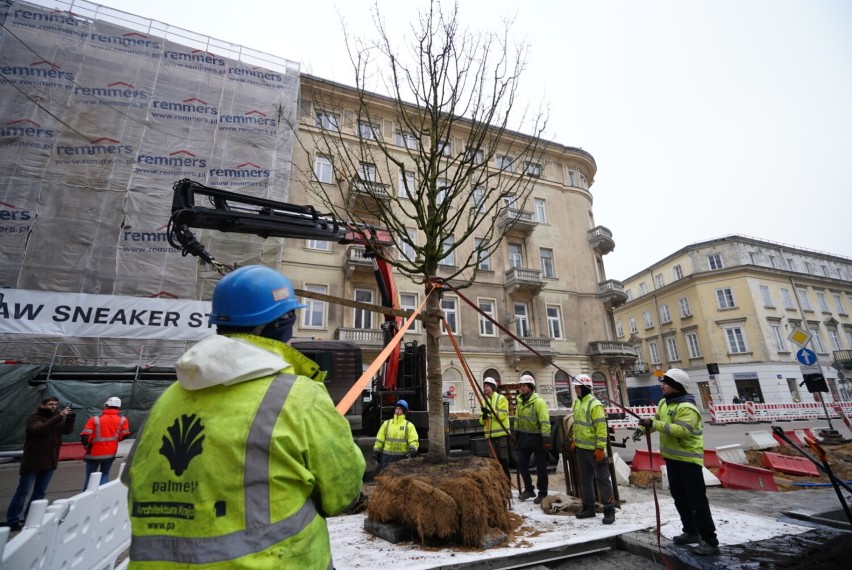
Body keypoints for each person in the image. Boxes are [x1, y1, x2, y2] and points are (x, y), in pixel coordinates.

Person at [122, 265, 365, 569]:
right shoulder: (297, 397)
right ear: (283, 324)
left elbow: (133, 479)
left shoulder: (170, 397)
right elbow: (342, 493)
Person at [639, 368, 720, 556]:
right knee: (680, 498)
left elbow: (681, 431)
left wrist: (654, 425)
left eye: (665, 383)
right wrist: (645, 428)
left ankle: (710, 540)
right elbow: (657, 421)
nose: (662, 386)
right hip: (672, 459)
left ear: (676, 386)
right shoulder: (664, 403)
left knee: (697, 501)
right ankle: (691, 532)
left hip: (688, 460)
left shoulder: (687, 407)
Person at [4, 397, 76, 531]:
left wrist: (70, 419)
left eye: (55, 404)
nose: (54, 407)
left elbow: (66, 431)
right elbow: (40, 429)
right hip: (33, 460)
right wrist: (60, 416)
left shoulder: (56, 417)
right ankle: (12, 520)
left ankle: (31, 518)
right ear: (42, 405)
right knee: (23, 491)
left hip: (50, 459)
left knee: (40, 492)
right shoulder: (34, 418)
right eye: (50, 404)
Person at [570, 374, 616, 524]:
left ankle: (609, 510)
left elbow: (601, 428)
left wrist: (601, 448)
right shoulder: (577, 404)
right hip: (582, 449)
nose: (575, 390)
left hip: (595, 450)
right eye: (575, 387)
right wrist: (575, 440)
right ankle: (588, 507)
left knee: (603, 479)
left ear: (584, 387)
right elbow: (577, 424)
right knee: (585, 479)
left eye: (577, 387)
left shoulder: (594, 405)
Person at [513, 374, 551, 504]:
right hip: (524, 438)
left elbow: (545, 421)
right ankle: (529, 489)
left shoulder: (538, 402)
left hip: (538, 439)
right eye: (521, 386)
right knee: (522, 463)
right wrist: (515, 433)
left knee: (541, 467)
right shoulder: (520, 402)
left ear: (530, 387)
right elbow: (517, 419)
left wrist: (546, 439)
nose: (521, 388)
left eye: (523, 386)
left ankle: (543, 493)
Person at [80, 396, 130, 490]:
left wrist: (87, 446)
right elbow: (125, 434)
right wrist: (115, 440)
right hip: (110, 453)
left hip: (93, 453)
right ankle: (102, 497)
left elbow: (85, 436)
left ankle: (87, 497)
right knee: (105, 474)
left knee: (90, 477)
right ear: (118, 407)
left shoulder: (94, 419)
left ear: (106, 406)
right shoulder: (123, 420)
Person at [372, 399, 419, 468]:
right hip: (386, 459)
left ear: (404, 411)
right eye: (396, 408)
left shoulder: (409, 426)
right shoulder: (387, 424)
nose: (397, 410)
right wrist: (375, 452)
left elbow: (413, 440)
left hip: (402, 459)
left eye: (400, 409)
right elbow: (379, 440)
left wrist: (412, 449)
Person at [479, 377, 511, 478]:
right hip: (490, 436)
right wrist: (484, 417)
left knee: (503, 460)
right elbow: (481, 421)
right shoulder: (484, 402)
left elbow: (502, 416)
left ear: (493, 387)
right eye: (484, 387)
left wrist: (490, 413)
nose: (485, 388)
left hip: (501, 435)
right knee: (493, 462)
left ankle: (507, 482)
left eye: (487, 386)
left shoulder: (501, 398)